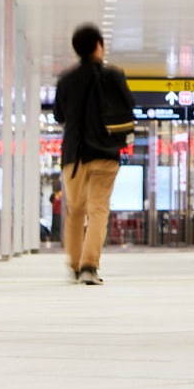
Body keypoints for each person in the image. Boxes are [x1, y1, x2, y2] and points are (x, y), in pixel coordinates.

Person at [52, 24, 135, 286]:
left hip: (74, 156)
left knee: (75, 210)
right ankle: (90, 266)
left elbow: (59, 116)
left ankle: (75, 265)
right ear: (99, 45)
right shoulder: (114, 75)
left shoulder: (67, 79)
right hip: (106, 153)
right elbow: (129, 107)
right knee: (98, 209)